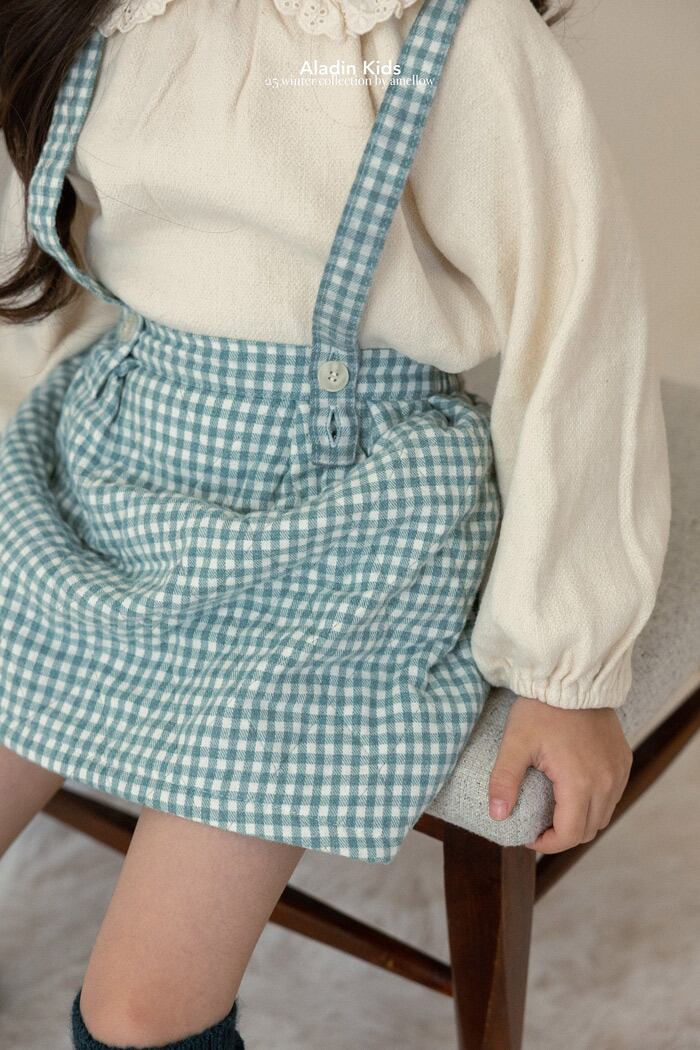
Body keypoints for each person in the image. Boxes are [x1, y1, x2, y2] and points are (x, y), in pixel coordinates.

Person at [0, 0, 671, 1046]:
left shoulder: (452, 31)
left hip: (342, 525)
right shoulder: (104, 17)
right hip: (111, 460)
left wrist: (564, 667)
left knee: (139, 1012)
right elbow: (47, 260)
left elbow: (577, 324)